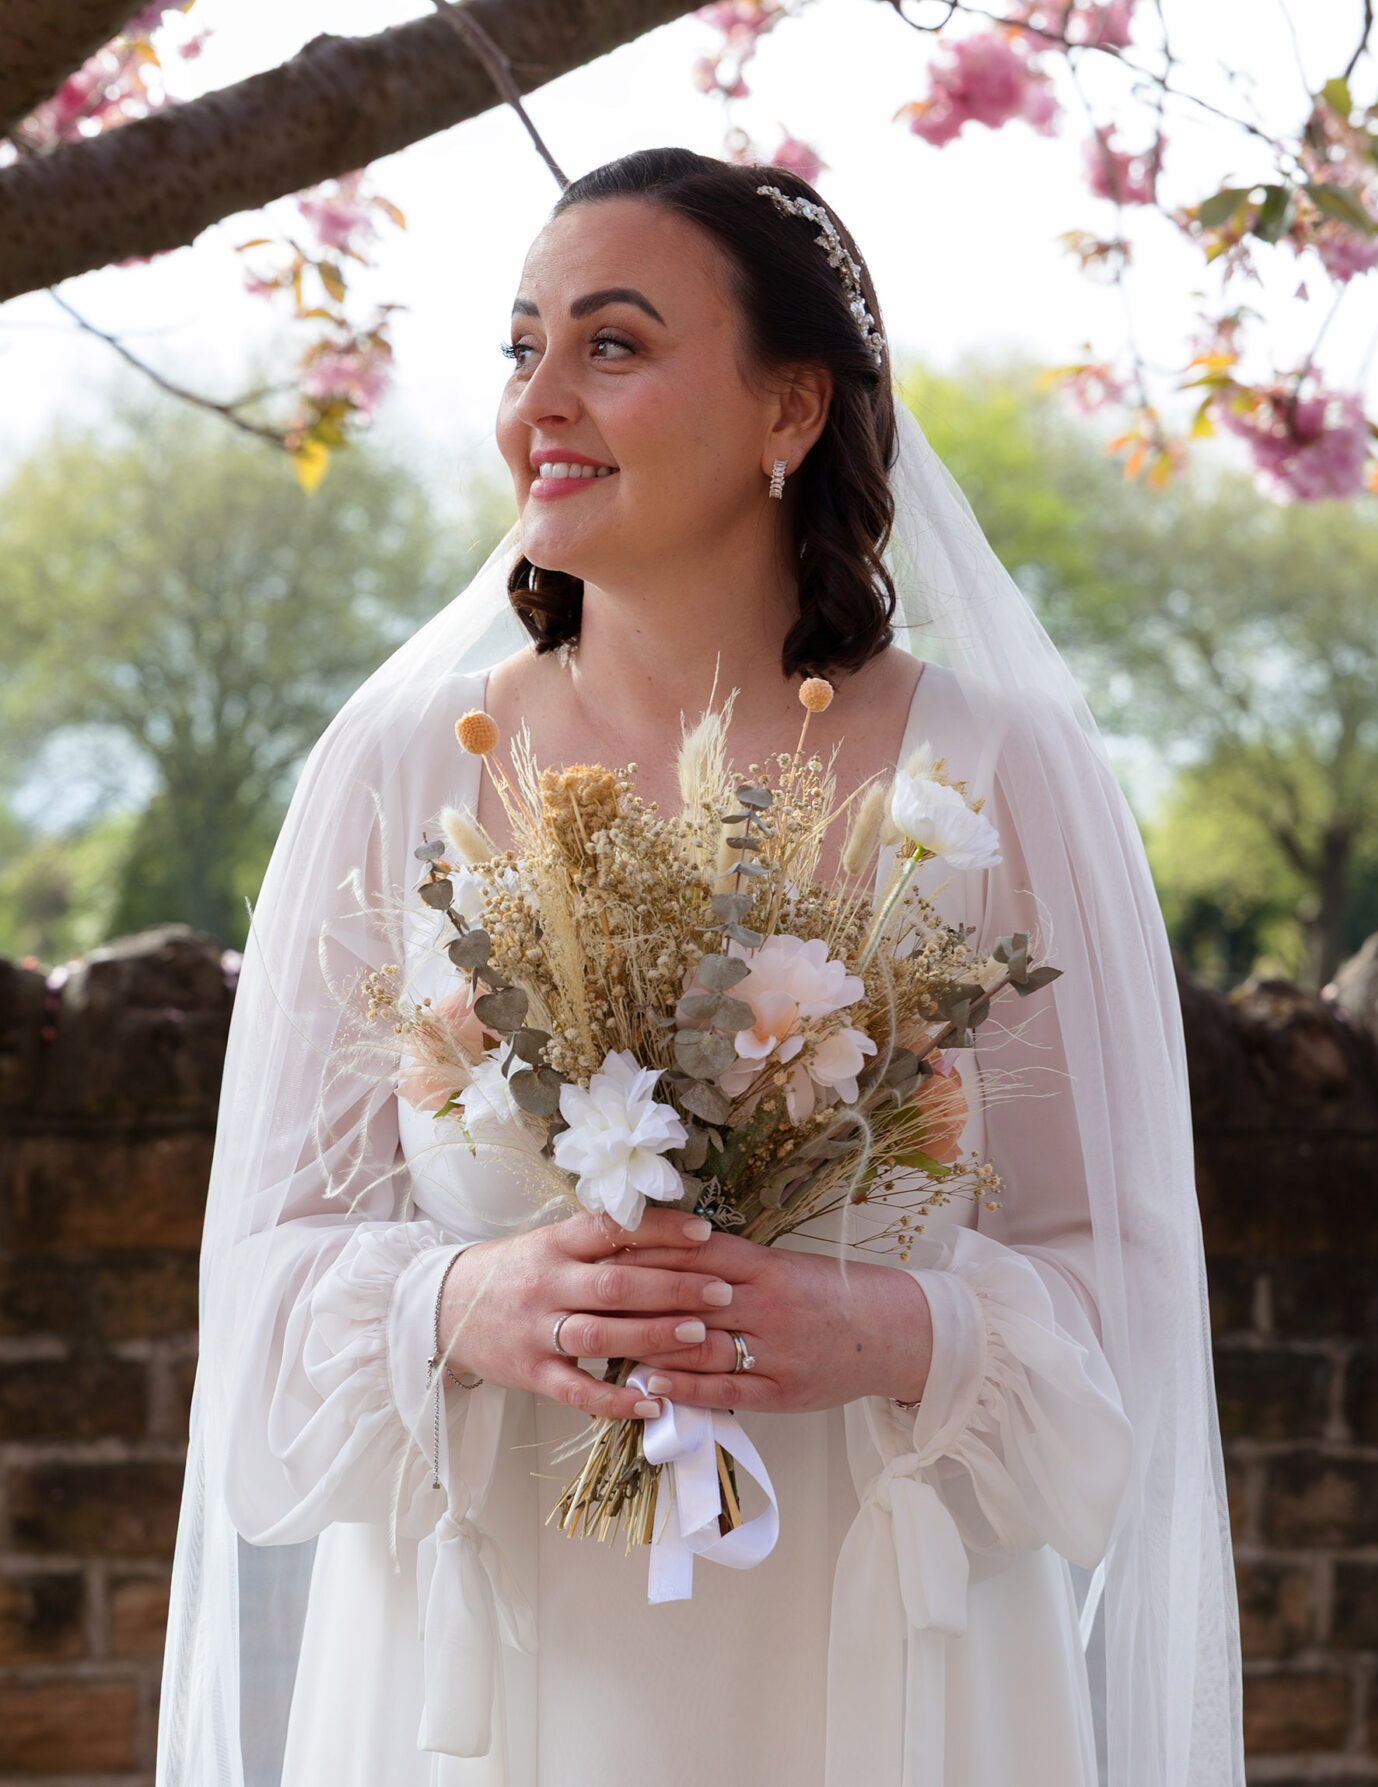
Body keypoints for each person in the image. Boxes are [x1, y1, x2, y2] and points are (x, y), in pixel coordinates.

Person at [156, 148, 1245, 1787]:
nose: (540, 401)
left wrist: (902, 1335)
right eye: (520, 346)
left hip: (886, 1669)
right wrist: (465, 1299)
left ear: (789, 411)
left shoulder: (998, 777)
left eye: (611, 344)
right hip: (496, 1672)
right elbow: (258, 1296)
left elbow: (1129, 1297)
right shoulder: (395, 773)